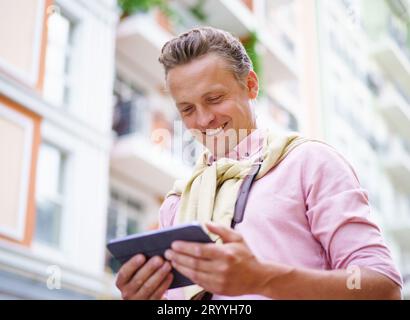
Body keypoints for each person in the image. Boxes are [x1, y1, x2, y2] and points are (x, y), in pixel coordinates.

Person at [115, 26, 403, 300]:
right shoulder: (177, 203)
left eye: (214, 98)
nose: (203, 120)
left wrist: (262, 278)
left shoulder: (309, 162)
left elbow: (382, 286)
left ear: (250, 85)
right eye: (187, 109)